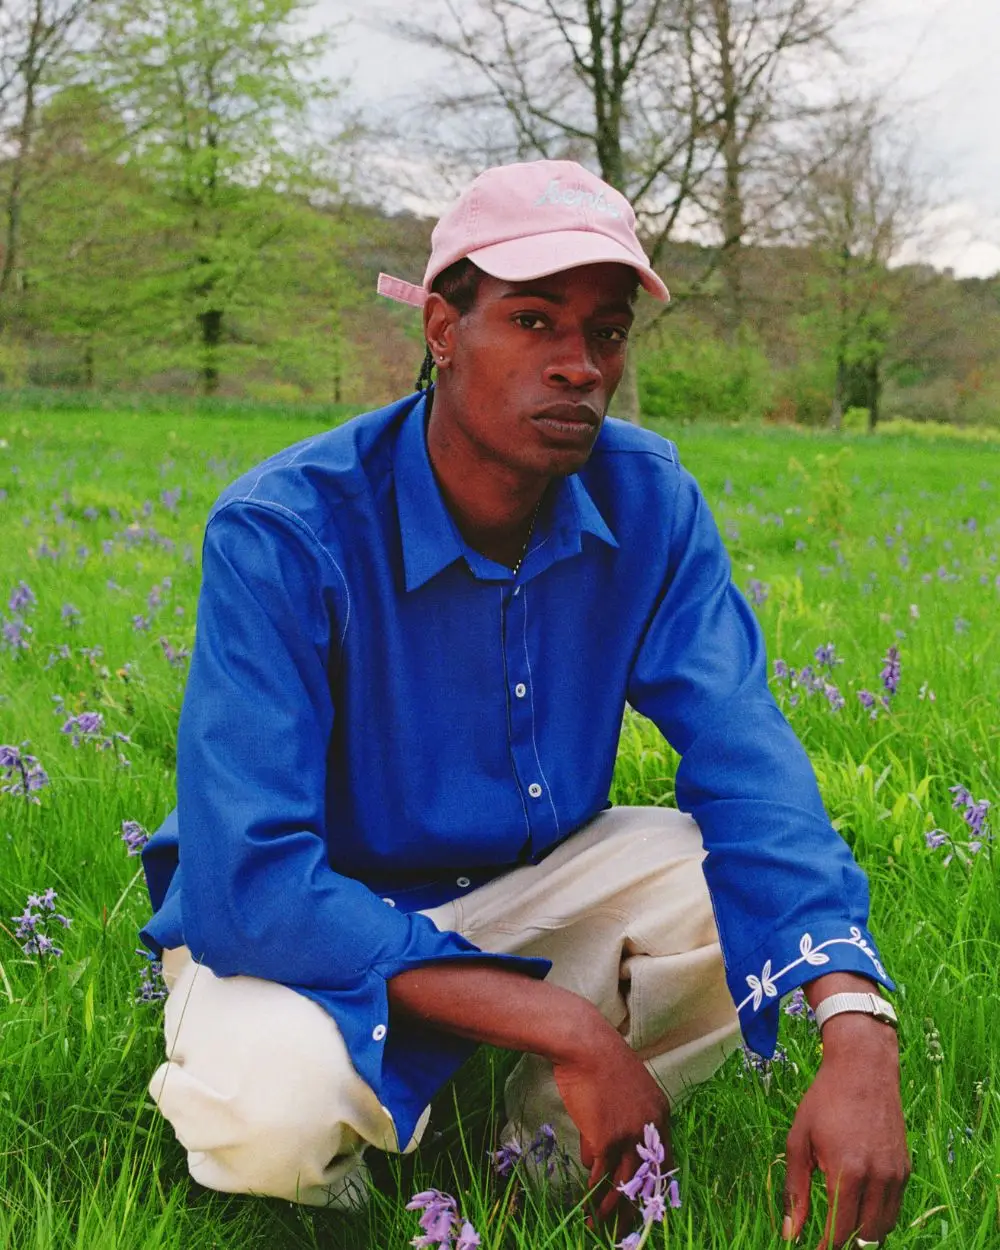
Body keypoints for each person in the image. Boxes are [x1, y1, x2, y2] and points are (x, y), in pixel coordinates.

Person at [139, 160, 909, 1246]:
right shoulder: (285, 529)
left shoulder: (646, 499)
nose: (579, 366)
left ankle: (546, 1163)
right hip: (307, 915)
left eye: (605, 332)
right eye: (534, 319)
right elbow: (250, 882)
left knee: (706, 872)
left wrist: (854, 1021)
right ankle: (346, 1186)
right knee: (273, 1117)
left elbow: (748, 762)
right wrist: (564, 1021)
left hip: (514, 882)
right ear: (444, 328)